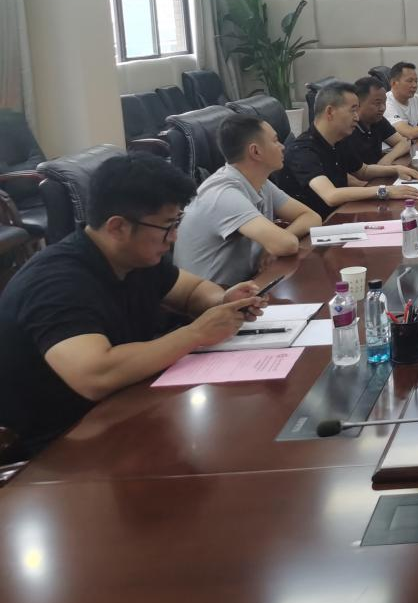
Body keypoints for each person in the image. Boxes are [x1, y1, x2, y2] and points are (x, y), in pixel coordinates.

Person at [0, 153, 266, 458]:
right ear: (118, 227)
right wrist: (196, 333)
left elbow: (193, 291)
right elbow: (95, 375)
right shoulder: (56, 283)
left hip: (124, 410)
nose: (174, 237)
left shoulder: (135, 257)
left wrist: (222, 302)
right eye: (168, 225)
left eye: (177, 222)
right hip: (58, 447)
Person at [173, 113, 321, 285]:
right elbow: (286, 245)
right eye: (275, 141)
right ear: (255, 151)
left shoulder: (260, 182)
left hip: (246, 285)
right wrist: (276, 243)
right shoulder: (223, 194)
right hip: (212, 296)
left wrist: (272, 245)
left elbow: (311, 217)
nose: (282, 147)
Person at [280, 80, 418, 219]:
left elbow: (363, 171)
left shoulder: (338, 140)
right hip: (318, 227)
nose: (357, 117)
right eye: (352, 110)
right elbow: (330, 195)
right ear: (330, 112)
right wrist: (385, 190)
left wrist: (396, 169)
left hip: (342, 214)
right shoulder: (302, 150)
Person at [347, 76, 411, 166]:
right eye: (377, 103)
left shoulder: (378, 120)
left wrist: (387, 159)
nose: (383, 108)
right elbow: (352, 170)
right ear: (358, 103)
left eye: (384, 102)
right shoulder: (348, 129)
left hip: (378, 172)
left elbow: (404, 142)